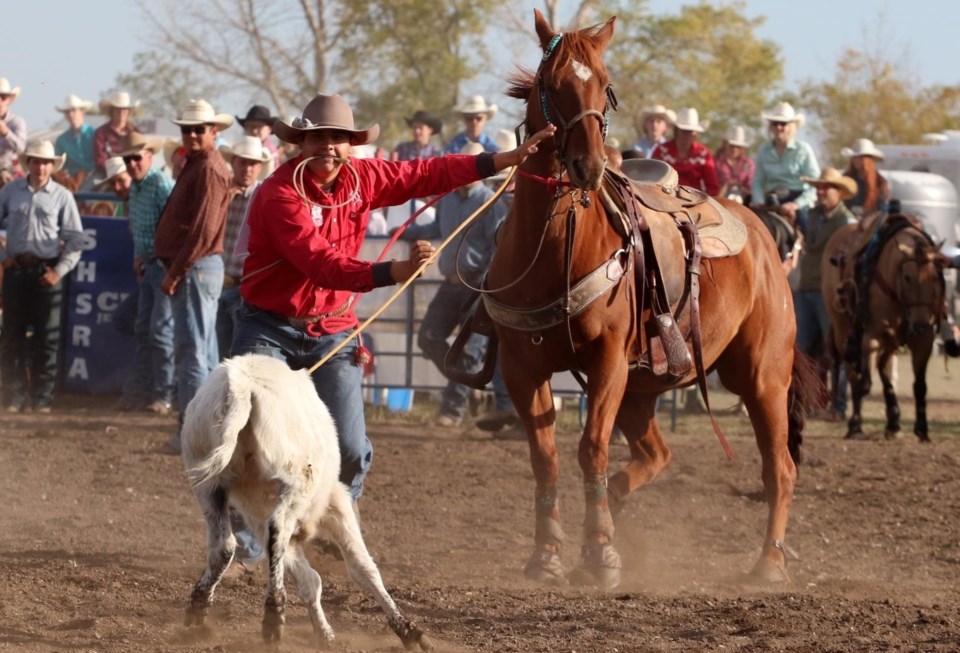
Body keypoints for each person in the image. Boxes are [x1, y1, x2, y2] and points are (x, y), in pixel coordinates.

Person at [231, 93, 553, 503]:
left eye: (338, 137)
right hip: (268, 326)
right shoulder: (279, 194)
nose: (328, 146)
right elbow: (320, 264)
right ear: (301, 143)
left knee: (348, 450)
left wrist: (500, 160)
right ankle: (244, 546)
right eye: (318, 138)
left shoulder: (362, 179)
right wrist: (391, 272)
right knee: (253, 440)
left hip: (333, 325)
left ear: (351, 143)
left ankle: (336, 520)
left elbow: (425, 172)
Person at [398, 142, 512, 427]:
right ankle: (466, 385)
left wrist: (488, 281)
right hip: (451, 283)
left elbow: (498, 246)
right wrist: (405, 232)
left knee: (471, 350)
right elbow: (437, 228)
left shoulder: (492, 200)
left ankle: (453, 408)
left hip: (476, 285)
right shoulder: (448, 199)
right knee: (428, 337)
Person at [154, 99, 234, 452]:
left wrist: (175, 271)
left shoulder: (208, 169)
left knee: (193, 351)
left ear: (213, 131)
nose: (192, 134)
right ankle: (205, 429)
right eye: (187, 129)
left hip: (195, 267)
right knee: (201, 350)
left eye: (199, 129)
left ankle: (194, 432)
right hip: (199, 266)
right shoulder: (200, 164)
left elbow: (202, 231)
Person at [0, 140, 84, 413]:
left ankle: (42, 399)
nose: (41, 167)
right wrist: (4, 259)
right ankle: (14, 396)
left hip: (46, 271)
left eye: (46, 162)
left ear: (52, 165)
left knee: (46, 338)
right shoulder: (9, 192)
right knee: (12, 334)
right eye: (36, 161)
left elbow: (75, 239)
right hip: (16, 269)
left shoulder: (62, 196)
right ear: (29, 164)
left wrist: (58, 271)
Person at [114, 132, 177, 414]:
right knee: (145, 331)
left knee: (160, 332)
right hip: (150, 265)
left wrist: (168, 263)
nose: (132, 164)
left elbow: (176, 223)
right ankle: (140, 393)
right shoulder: (138, 188)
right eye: (127, 160)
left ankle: (164, 395)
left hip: (163, 265)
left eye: (136, 158)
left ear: (149, 157)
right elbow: (142, 228)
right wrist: (140, 255)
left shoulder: (161, 184)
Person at [795, 168, 858, 421]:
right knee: (807, 350)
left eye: (826, 187)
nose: (820, 191)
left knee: (836, 349)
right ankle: (812, 402)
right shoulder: (811, 216)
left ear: (839, 192)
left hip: (828, 291)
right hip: (807, 286)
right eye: (819, 187)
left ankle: (838, 405)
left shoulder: (847, 223)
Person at [216, 135, 273, 358]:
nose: (247, 168)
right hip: (219, 282)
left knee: (242, 355)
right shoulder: (220, 193)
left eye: (253, 163)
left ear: (259, 167)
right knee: (221, 353)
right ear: (234, 163)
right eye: (243, 162)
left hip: (245, 287)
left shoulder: (264, 196)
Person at [751, 101, 820, 231]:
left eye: (783, 123)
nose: (778, 127)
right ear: (770, 126)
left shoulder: (803, 150)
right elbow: (758, 181)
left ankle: (808, 250)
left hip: (798, 201)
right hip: (770, 201)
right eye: (775, 123)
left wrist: (795, 204)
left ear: (792, 126)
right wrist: (759, 201)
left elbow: (815, 183)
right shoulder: (763, 150)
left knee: (808, 227)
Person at [650, 108, 719, 195]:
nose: (687, 135)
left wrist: (704, 201)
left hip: (694, 200)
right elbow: (652, 179)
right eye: (683, 131)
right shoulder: (661, 150)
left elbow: (712, 186)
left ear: (696, 133)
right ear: (676, 131)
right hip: (665, 197)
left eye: (690, 131)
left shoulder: (703, 153)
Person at [92, 91, 140, 178]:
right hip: (105, 174)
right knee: (88, 189)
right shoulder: (101, 133)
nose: (121, 112)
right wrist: (114, 171)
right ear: (112, 111)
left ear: (129, 111)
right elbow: (100, 159)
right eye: (118, 109)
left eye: (125, 109)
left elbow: (140, 154)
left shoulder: (135, 132)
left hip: (131, 173)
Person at [53, 94, 96, 187]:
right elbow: (58, 166)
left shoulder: (95, 134)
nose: (71, 114)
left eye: (73, 110)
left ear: (82, 112)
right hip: (71, 182)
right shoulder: (61, 140)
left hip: (95, 178)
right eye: (67, 112)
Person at [841, 138, 889, 217]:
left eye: (860, 157)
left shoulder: (880, 182)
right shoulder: (847, 179)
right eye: (855, 157)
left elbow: (881, 207)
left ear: (868, 160)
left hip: (871, 223)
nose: (856, 160)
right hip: (847, 220)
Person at [715, 125, 755, 204]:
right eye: (732, 145)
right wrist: (726, 186)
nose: (734, 149)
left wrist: (740, 187)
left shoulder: (748, 163)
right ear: (725, 144)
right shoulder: (716, 162)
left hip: (744, 203)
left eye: (738, 146)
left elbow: (751, 185)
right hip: (719, 201)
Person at [236, 104, 280, 169]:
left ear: (270, 129)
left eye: (259, 126)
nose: (254, 131)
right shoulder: (238, 149)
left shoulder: (272, 155)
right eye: (250, 126)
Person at [0, 78, 27, 182]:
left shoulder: (17, 121)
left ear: (9, 100)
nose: (0, 101)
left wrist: (6, 133)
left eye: (3, 97)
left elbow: (21, 148)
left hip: (11, 169)